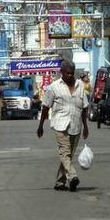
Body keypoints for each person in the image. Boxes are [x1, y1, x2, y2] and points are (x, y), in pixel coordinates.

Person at [36, 60, 89, 192]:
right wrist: (41, 125)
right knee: (65, 152)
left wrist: (86, 126)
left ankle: (60, 182)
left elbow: (84, 107)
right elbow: (45, 107)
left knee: (68, 155)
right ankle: (73, 176)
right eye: (67, 73)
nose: (70, 76)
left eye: (72, 73)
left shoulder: (80, 85)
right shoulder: (54, 87)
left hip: (76, 125)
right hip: (60, 124)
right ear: (62, 72)